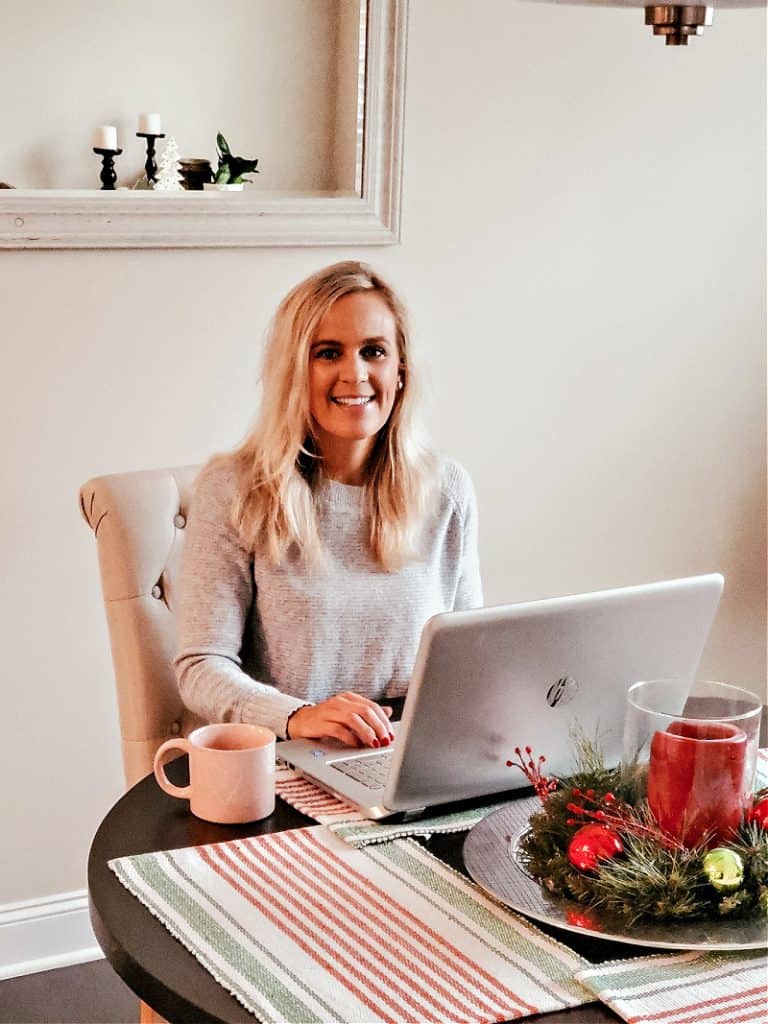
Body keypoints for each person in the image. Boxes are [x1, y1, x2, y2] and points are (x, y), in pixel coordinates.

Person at [174, 261, 482, 749]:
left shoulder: (446, 489)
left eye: (374, 351)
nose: (354, 374)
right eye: (328, 353)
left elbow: (469, 657)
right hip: (282, 753)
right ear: (295, 370)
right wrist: (299, 716)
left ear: (400, 370)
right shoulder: (234, 489)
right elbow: (200, 668)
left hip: (407, 754)